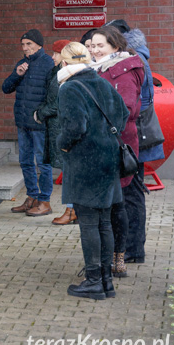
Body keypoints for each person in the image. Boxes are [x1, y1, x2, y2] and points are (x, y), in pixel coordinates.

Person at [56, 41, 128, 300]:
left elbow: (75, 127)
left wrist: (61, 145)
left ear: (64, 63)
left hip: (85, 162)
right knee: (104, 223)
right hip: (109, 159)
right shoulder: (102, 82)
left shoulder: (70, 88)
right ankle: (107, 282)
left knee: (88, 223)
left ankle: (93, 281)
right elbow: (123, 113)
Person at [89, 27, 144, 278]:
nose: (94, 50)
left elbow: (127, 109)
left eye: (100, 46)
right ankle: (107, 256)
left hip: (117, 145)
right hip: (100, 144)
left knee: (117, 204)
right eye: (92, 45)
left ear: (115, 46)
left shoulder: (123, 69)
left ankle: (118, 258)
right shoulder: (97, 68)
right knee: (108, 205)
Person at [107, 19, 161, 264]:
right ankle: (131, 248)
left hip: (134, 138)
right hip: (134, 137)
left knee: (132, 194)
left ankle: (133, 250)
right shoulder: (136, 57)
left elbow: (142, 103)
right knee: (132, 193)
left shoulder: (133, 61)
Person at [2, 29, 55, 216]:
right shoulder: (22, 63)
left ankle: (45, 201)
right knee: (25, 161)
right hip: (22, 122)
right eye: (23, 44)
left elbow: (53, 94)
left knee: (43, 163)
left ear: (39, 45)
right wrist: (17, 74)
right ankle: (31, 197)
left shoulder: (48, 63)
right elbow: (6, 88)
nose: (25, 48)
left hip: (39, 124)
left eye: (29, 44)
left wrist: (42, 114)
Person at [34, 40, 75, 225]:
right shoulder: (56, 73)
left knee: (69, 171)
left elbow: (57, 103)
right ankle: (72, 208)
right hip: (57, 127)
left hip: (63, 128)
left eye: (56, 53)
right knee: (67, 170)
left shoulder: (66, 76)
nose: (53, 57)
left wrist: (40, 113)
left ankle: (72, 209)